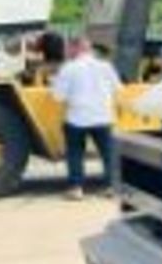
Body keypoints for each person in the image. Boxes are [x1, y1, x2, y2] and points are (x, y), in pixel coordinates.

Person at [50, 36, 121, 200]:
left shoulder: (68, 68)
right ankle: (111, 186)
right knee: (108, 153)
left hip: (77, 118)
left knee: (75, 153)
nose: (66, 52)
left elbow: (58, 97)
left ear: (76, 48)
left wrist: (54, 84)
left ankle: (76, 188)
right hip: (103, 117)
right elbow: (117, 88)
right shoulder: (106, 66)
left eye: (68, 48)